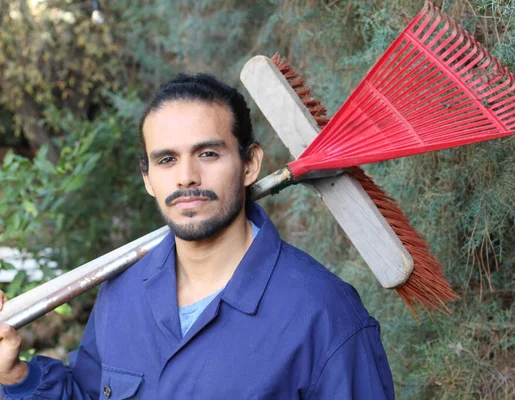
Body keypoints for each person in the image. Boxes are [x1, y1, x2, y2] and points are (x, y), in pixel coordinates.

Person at [0, 74, 395, 399]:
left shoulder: (324, 314)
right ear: (148, 178)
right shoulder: (122, 293)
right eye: (166, 159)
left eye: (208, 154)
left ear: (250, 164)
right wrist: (16, 374)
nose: (186, 176)